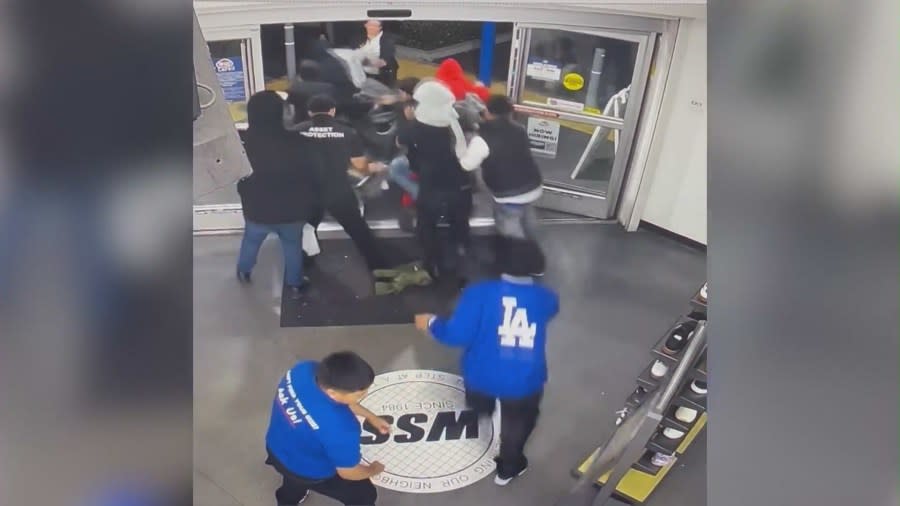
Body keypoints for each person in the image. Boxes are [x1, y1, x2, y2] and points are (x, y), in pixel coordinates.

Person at [414, 239, 559, 486]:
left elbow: (456, 335)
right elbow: (547, 313)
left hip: (482, 371)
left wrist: (430, 323)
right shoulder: (546, 297)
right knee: (519, 421)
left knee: (480, 396)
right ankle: (509, 467)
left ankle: (483, 412)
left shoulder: (478, 293)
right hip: (525, 378)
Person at [265, 351, 390, 505]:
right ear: (332, 393)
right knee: (364, 495)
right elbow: (348, 473)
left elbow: (335, 402)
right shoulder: (343, 428)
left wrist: (371, 416)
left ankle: (287, 501)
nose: (365, 395)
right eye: (360, 394)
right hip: (309, 470)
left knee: (291, 481)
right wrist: (373, 470)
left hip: (276, 446)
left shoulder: (303, 370)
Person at [294, 94, 390, 273]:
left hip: (308, 193)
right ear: (332, 111)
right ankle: (380, 268)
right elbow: (360, 166)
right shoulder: (348, 132)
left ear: (309, 112)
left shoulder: (296, 131)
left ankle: (302, 267)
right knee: (360, 232)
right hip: (338, 192)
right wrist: (374, 168)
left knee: (305, 230)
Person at [236, 91, 317, 299]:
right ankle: (295, 283)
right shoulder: (299, 142)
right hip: (292, 208)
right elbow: (309, 173)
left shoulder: (245, 144)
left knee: (251, 241)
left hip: (258, 207)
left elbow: (239, 177)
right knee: (292, 246)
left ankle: (244, 271)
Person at [397, 80, 473, 282]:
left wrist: (408, 120)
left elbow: (401, 141)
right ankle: (461, 258)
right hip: (458, 182)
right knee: (459, 222)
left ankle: (432, 265)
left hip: (430, 183)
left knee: (426, 224)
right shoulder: (453, 120)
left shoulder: (415, 127)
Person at [456, 95, 544, 243]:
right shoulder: (519, 129)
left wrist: (462, 146)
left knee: (510, 229)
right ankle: (532, 243)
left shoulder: (482, 139)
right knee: (526, 214)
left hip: (508, 193)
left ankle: (520, 256)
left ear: (488, 112)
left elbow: (466, 164)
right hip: (533, 185)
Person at [286, 60, 337, 124]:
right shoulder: (329, 88)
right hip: (324, 124)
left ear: (301, 74)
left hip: (300, 124)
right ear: (318, 73)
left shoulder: (295, 87)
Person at [358, 19, 398, 87]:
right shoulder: (359, 38)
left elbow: (385, 62)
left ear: (380, 28)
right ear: (365, 26)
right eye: (369, 25)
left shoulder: (387, 41)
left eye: (375, 26)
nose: (371, 28)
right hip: (362, 75)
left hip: (380, 77)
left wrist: (363, 61)